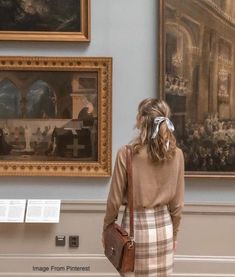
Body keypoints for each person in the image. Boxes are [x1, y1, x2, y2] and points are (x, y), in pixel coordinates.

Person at [103, 98, 185, 276]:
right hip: (164, 229)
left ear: (141, 120)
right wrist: (174, 236)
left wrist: (106, 229)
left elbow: (114, 201)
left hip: (135, 231)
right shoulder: (177, 154)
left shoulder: (126, 153)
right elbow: (177, 206)